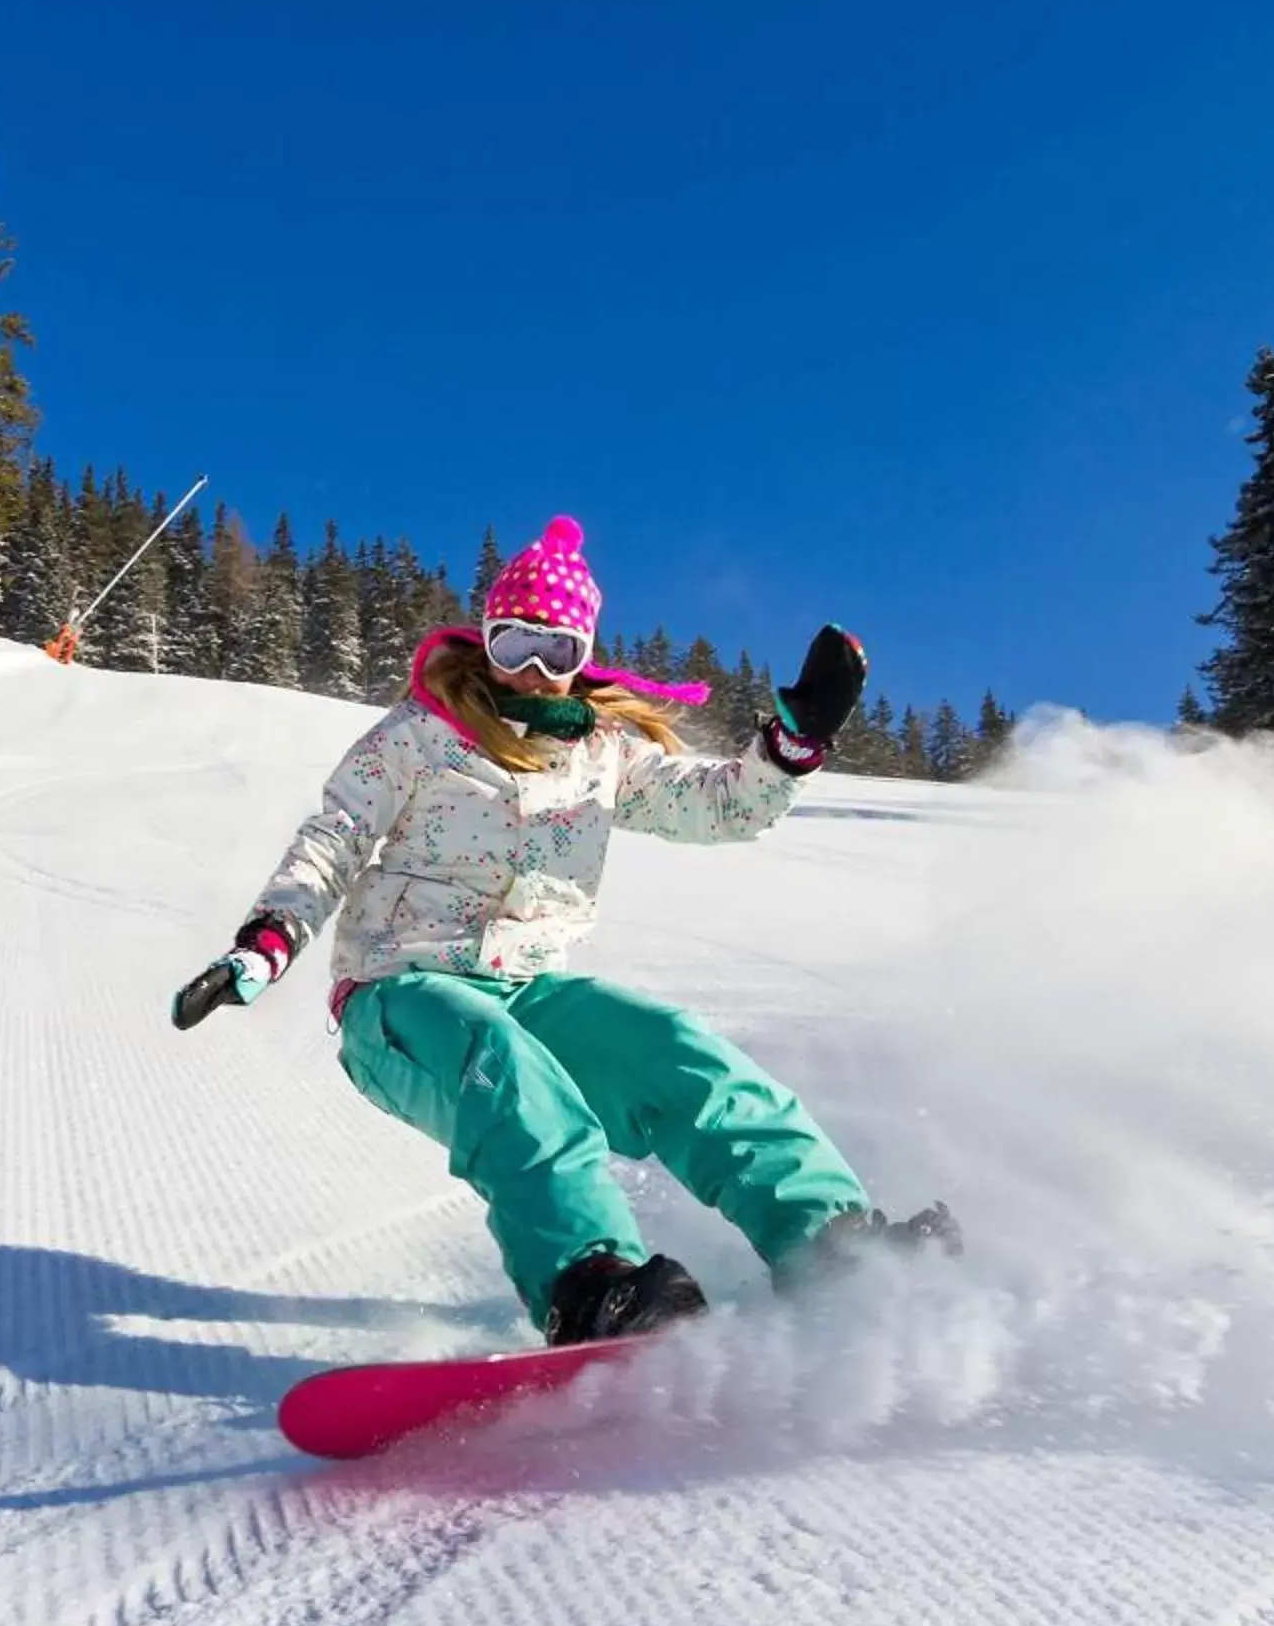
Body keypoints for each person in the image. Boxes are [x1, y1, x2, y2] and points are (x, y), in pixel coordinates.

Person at [172, 514, 954, 1344]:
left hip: (527, 988)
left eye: (558, 653)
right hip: (400, 996)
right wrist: (269, 939)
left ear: (584, 658)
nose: (536, 674)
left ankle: (826, 1243)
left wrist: (794, 743)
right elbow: (334, 836)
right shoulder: (420, 733)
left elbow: (719, 806)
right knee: (508, 1075)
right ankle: (587, 1281)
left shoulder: (604, 753)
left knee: (678, 1054)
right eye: (515, 649)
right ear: (485, 643)